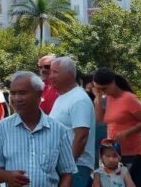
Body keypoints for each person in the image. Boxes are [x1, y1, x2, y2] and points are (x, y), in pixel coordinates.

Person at [0, 70, 77, 187]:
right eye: (13, 93)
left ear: (39, 94)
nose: (16, 98)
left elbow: (67, 172)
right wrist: (8, 177)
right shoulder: (2, 128)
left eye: (22, 93)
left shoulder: (58, 130)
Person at [91, 68, 141, 187]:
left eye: (104, 88)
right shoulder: (107, 99)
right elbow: (99, 119)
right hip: (115, 155)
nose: (103, 92)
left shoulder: (129, 98)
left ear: (113, 82)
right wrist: (97, 96)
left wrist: (125, 133)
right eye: (99, 88)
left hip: (133, 155)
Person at [49, 57, 96, 187]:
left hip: (76, 167)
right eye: (51, 72)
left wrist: (68, 167)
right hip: (62, 166)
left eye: (55, 72)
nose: (50, 76)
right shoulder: (62, 97)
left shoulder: (79, 99)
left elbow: (81, 136)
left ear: (69, 75)